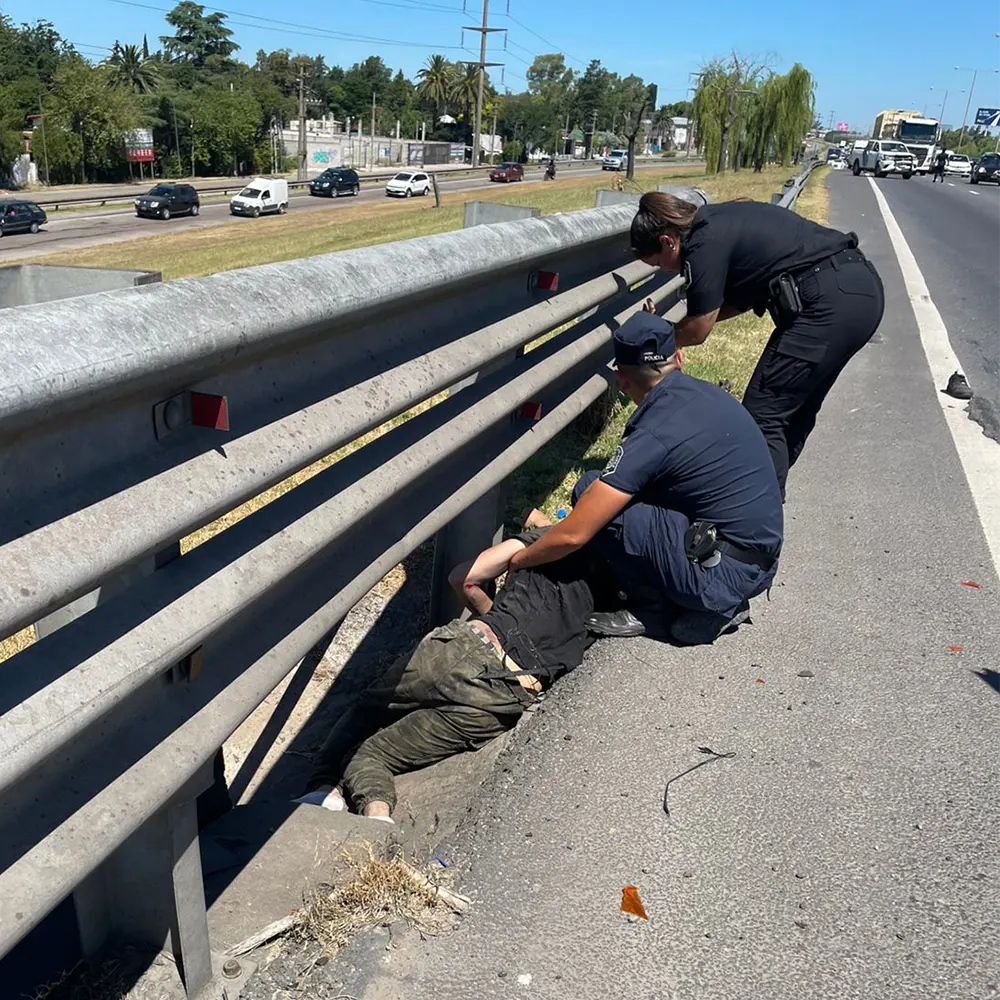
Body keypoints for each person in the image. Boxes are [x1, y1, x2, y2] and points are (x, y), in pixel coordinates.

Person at [294, 513, 610, 822]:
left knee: (366, 712)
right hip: (507, 694)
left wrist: (494, 613)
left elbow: (464, 578)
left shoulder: (546, 540)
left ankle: (322, 788)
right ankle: (377, 818)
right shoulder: (617, 584)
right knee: (375, 754)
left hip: (463, 649)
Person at [506, 312, 784, 644]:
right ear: (678, 357)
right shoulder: (707, 396)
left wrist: (520, 560)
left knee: (588, 489)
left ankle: (654, 610)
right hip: (759, 561)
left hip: (721, 573)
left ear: (622, 380)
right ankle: (713, 598)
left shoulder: (656, 432)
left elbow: (574, 535)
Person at [628, 191, 885, 499]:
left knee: (763, 416)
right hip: (858, 290)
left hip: (828, 302)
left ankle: (752, 523)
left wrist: (657, 335)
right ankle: (761, 507)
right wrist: (670, 331)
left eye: (658, 262)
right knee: (793, 411)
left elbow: (698, 329)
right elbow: (734, 304)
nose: (664, 269)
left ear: (668, 240)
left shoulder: (702, 243)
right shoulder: (720, 221)